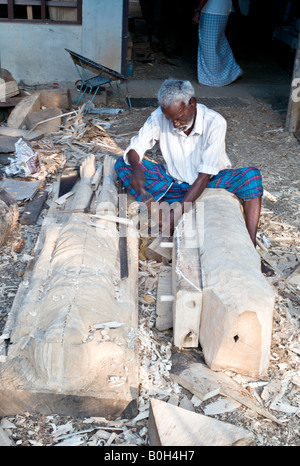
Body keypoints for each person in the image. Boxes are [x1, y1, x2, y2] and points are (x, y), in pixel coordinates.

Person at [115, 78, 270, 274]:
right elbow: (135, 147)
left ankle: (252, 251)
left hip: (212, 182)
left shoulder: (215, 123)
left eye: (179, 117)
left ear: (193, 103)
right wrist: (137, 170)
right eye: (170, 120)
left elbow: (204, 176)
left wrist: (176, 215)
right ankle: (162, 211)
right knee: (123, 163)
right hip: (174, 182)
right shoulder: (160, 116)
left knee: (251, 177)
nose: (175, 123)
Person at [192, 0, 242, 86]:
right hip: (223, 10)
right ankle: (235, 70)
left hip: (212, 11)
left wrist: (198, 10)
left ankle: (209, 78)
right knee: (220, 43)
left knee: (209, 46)